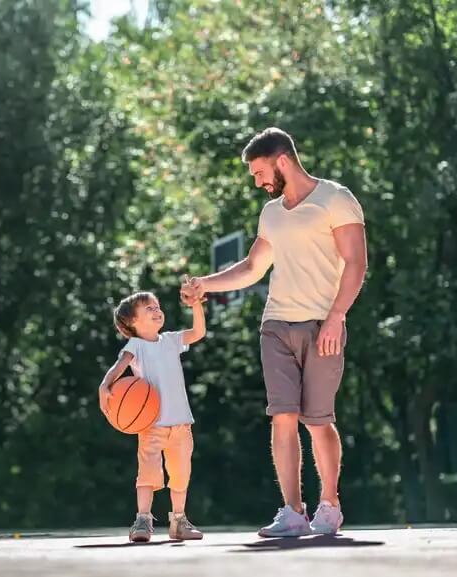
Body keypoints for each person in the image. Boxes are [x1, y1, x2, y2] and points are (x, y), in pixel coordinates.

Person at [182, 127, 367, 536]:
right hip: (276, 325)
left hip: (323, 325)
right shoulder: (272, 213)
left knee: (317, 420)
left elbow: (356, 263)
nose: (258, 181)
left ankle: (329, 505)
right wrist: (204, 284)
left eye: (260, 172)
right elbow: (252, 268)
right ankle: (292, 512)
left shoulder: (335, 199)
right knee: (282, 417)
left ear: (282, 160)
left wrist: (337, 316)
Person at [98, 285, 206, 542]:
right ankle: (143, 519)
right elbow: (119, 366)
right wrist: (105, 385)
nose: (158, 311)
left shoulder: (170, 340)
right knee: (147, 473)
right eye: (149, 309)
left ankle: (178, 521)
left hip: (181, 424)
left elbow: (199, 332)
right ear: (133, 322)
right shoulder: (135, 345)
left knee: (180, 475)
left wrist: (196, 305)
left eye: (158, 307)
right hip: (151, 424)